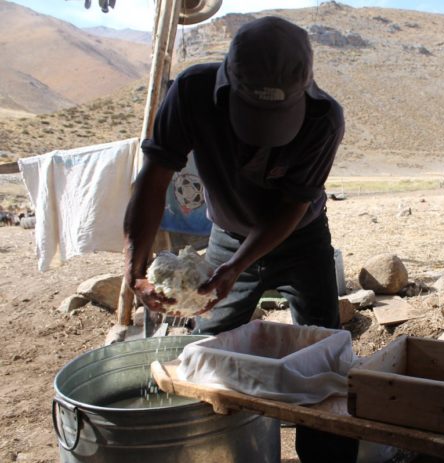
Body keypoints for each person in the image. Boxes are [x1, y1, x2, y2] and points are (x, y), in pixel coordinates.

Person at [123, 16, 358, 463]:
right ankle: (217, 448)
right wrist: (134, 268)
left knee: (325, 351)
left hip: (302, 240)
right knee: (211, 352)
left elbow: (291, 208)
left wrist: (235, 269)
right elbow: (153, 179)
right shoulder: (191, 92)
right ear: (228, 79)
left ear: (305, 88)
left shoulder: (324, 119)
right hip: (228, 236)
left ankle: (327, 455)